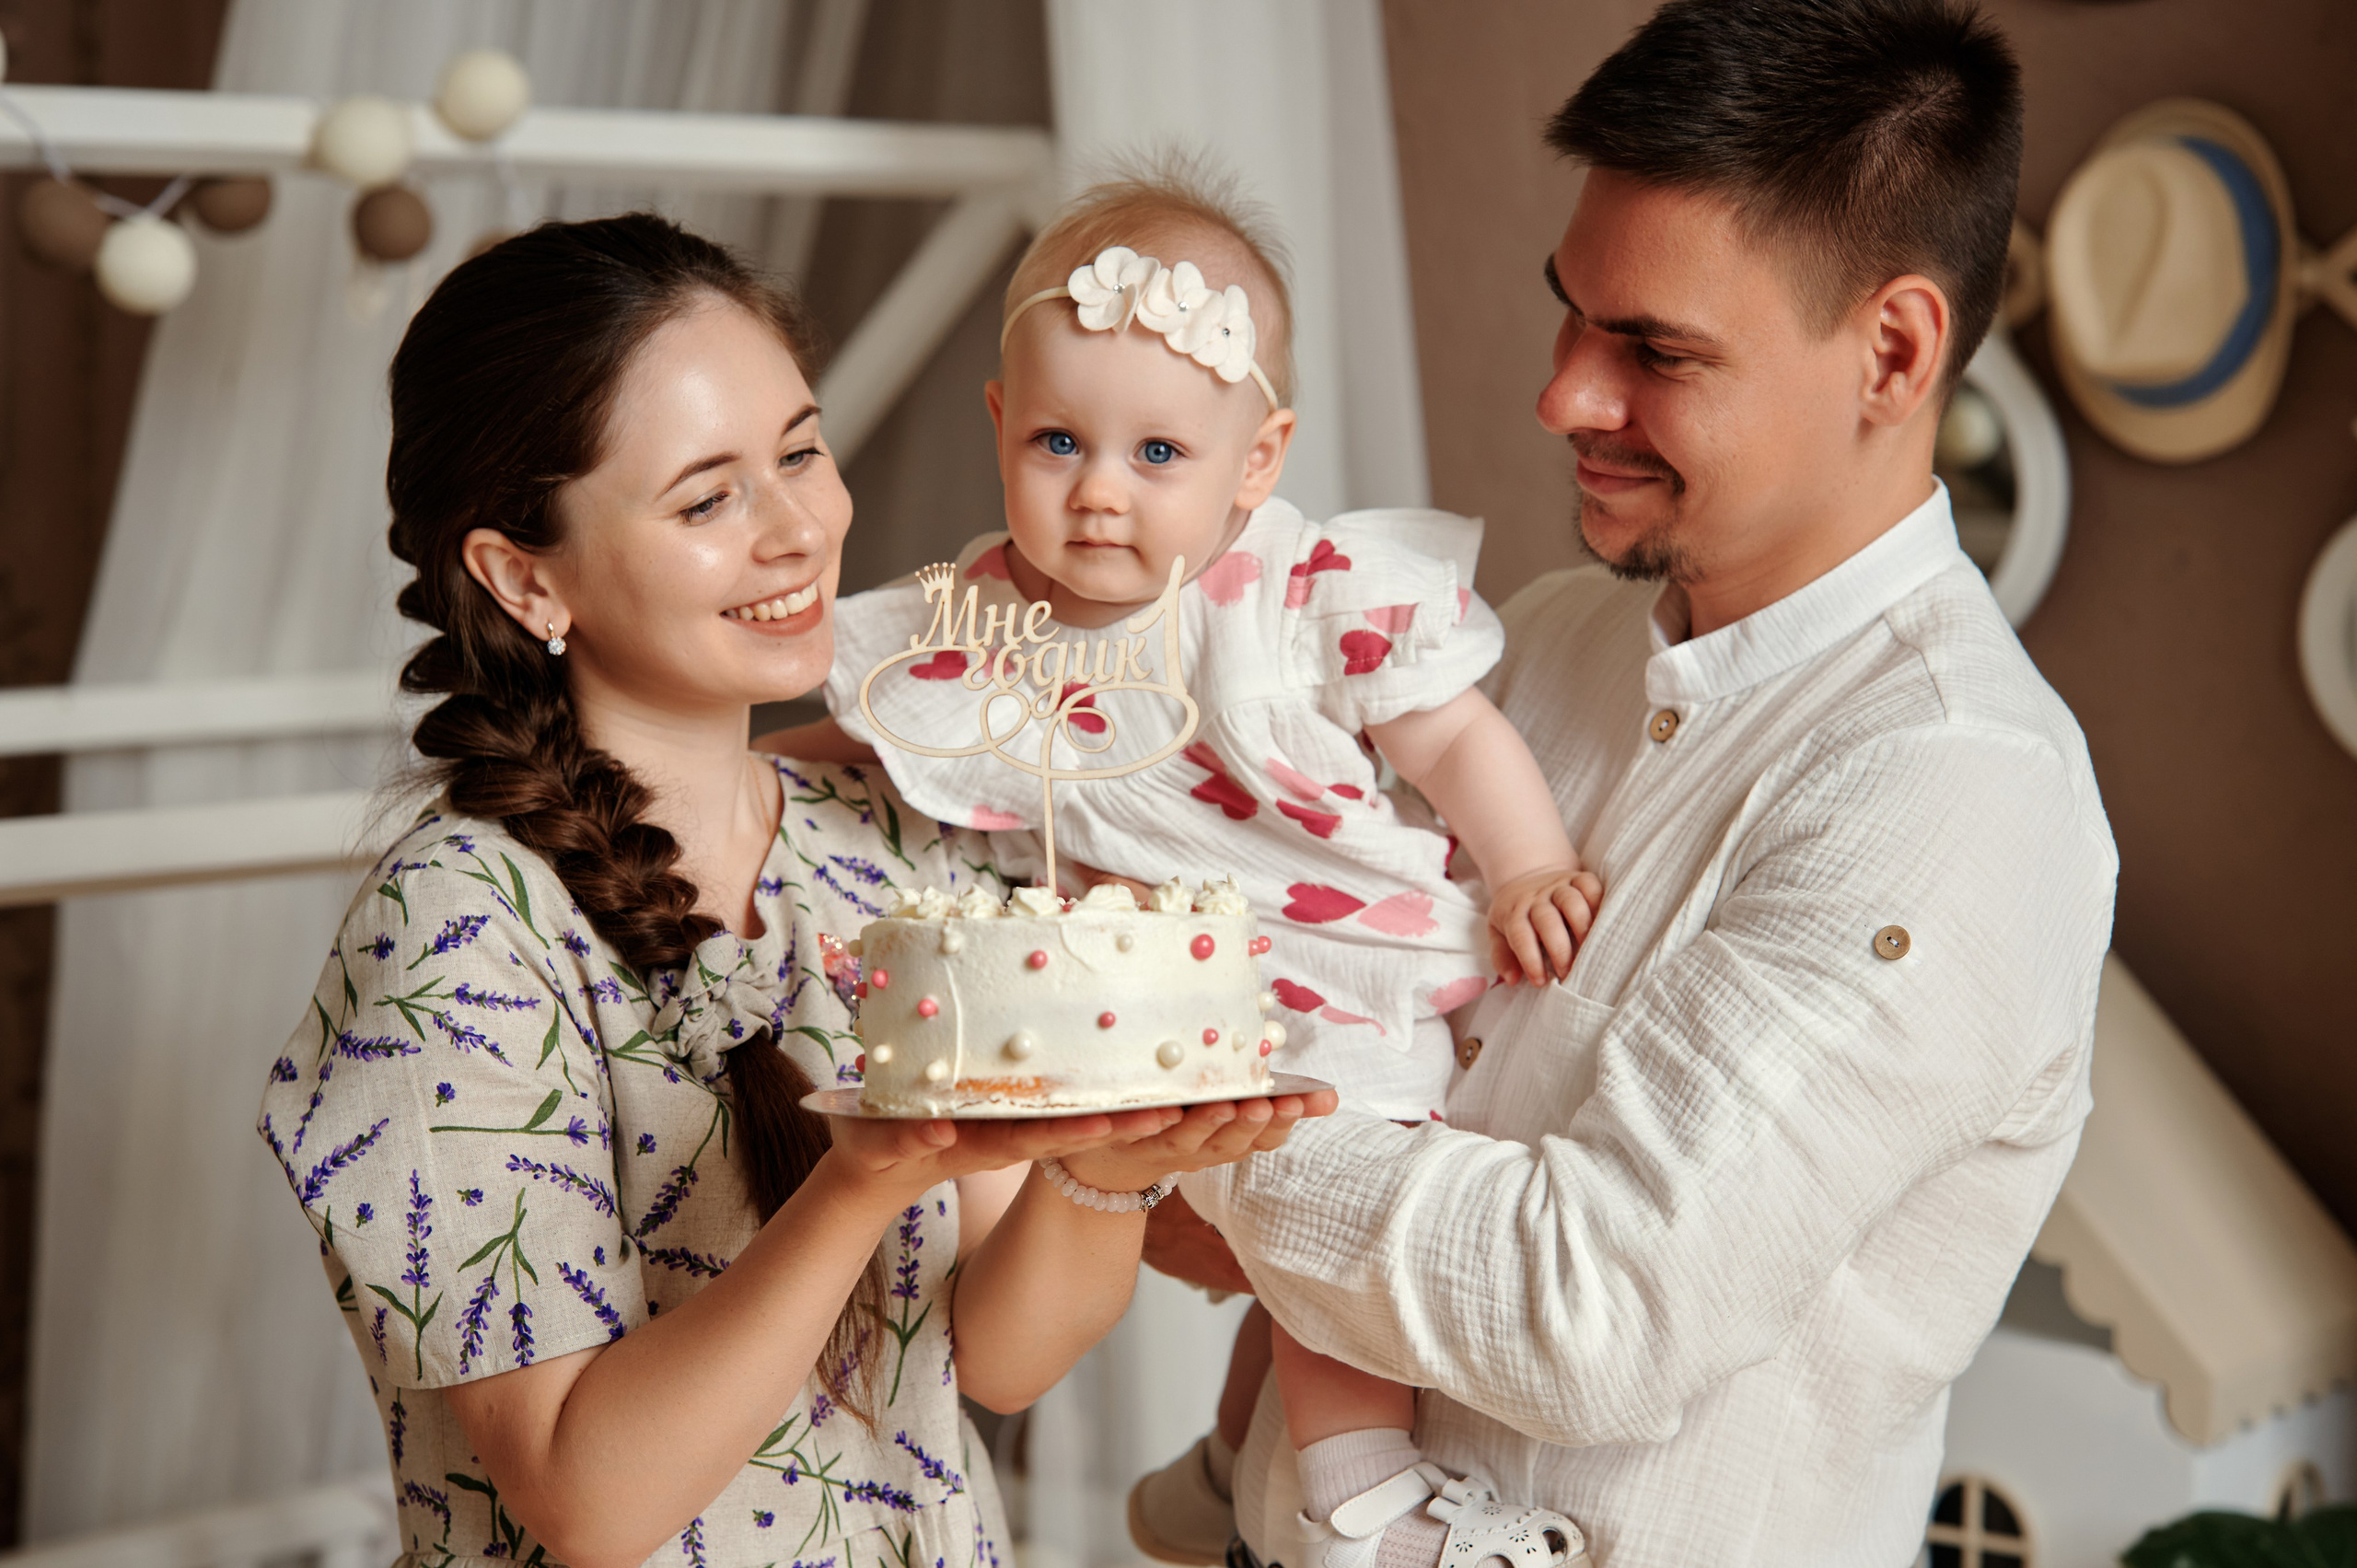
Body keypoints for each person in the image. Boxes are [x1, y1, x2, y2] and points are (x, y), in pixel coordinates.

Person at [1158, 3, 2119, 1566]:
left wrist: (1207, 1130)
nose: (1564, 398)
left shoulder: (1959, 797)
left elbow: (1583, 1310)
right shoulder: (1522, 652)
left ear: (1893, 350)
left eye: (1655, 352)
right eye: (1572, 315)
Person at [256, 213, 1334, 1568]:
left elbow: (996, 1363)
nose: (799, 531)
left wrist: (1105, 1182)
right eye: (708, 499)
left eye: (802, 453)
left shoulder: (889, 841)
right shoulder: (459, 929)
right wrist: (856, 1185)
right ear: (525, 575)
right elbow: (589, 1505)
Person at [767, 172, 1603, 1566]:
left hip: (1332, 952)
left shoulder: (1286, 593)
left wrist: (1526, 867)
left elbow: (1452, 733)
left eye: (1159, 454)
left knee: (1334, 1194)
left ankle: (1287, 1481)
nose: (1099, 493)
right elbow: (864, 725)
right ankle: (1304, 1480)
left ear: (1256, 461)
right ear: (1000, 428)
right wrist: (742, 770)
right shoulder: (979, 617)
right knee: (1295, 1200)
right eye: (1056, 442)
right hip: (1155, 994)